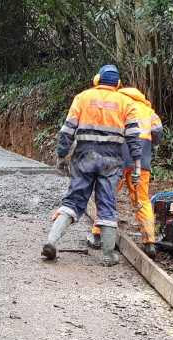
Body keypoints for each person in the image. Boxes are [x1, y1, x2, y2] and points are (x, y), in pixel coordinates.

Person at [43, 65, 142, 267]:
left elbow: (67, 130)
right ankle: (108, 255)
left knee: (73, 201)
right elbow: (134, 137)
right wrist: (138, 165)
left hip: (84, 155)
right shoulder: (127, 102)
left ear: (97, 80)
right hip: (112, 159)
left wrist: (61, 156)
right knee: (107, 204)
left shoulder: (83, 97)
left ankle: (51, 242)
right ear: (118, 84)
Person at [87, 85, 162, 257]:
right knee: (141, 199)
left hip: (117, 160)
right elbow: (157, 131)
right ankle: (149, 242)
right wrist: (152, 146)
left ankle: (98, 235)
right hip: (141, 162)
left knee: (107, 194)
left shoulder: (118, 104)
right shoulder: (148, 110)